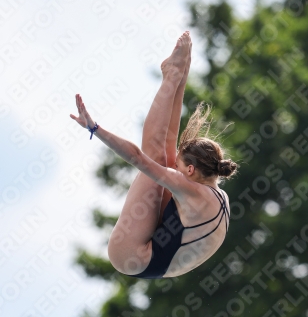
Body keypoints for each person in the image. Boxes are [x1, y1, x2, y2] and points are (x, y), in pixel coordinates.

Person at [70, 31, 237, 279]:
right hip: (159, 257)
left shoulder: (195, 191)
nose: (176, 169)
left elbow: (138, 157)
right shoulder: (217, 194)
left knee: (157, 159)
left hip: (131, 256)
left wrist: (95, 128)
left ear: (191, 170)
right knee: (166, 159)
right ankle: (178, 74)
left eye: (181, 168)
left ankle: (173, 76)